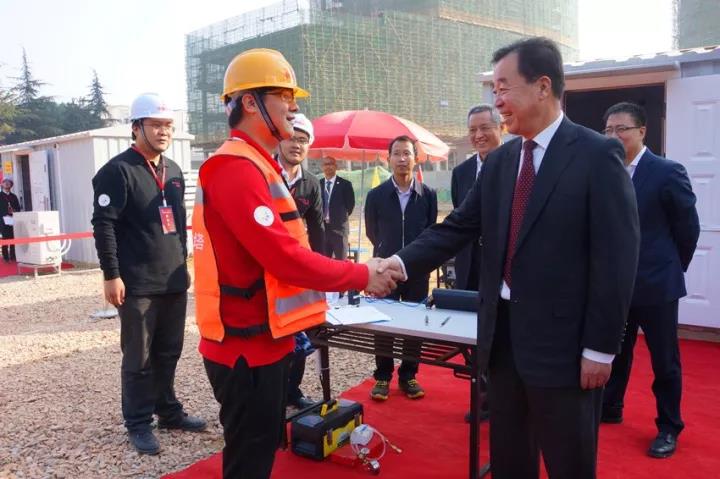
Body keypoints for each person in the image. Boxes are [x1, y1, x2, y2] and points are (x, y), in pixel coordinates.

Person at [378, 37, 640, 479]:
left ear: (542, 86)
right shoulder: (500, 163)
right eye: (494, 90)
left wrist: (601, 348)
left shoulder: (596, 155)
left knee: (569, 463)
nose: (497, 101)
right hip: (502, 342)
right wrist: (397, 265)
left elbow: (617, 258)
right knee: (510, 460)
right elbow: (457, 227)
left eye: (504, 88)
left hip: (565, 348)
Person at [191, 48, 398, 479]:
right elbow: (284, 259)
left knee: (260, 449)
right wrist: (363, 274)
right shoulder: (235, 168)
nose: (293, 106)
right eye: (284, 96)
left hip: (264, 341)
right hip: (244, 350)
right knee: (250, 459)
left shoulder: (256, 164)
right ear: (251, 102)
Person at [91, 93, 206, 455]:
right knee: (138, 357)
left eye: (168, 125)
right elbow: (104, 225)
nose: (163, 131)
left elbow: (178, 224)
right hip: (137, 283)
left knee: (169, 351)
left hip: (172, 279)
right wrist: (111, 274)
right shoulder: (117, 171)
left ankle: (168, 411)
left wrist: (183, 263)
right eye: (155, 125)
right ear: (136, 127)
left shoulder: (173, 171)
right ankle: (139, 422)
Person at [601, 102, 699, 459]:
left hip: (657, 285)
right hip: (616, 285)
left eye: (621, 129)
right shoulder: (604, 172)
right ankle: (611, 406)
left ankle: (669, 426)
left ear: (642, 131)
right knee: (615, 351)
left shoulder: (667, 172)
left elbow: (688, 228)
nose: (613, 136)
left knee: (664, 361)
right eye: (608, 130)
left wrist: (671, 267)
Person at [365, 135, 438, 401]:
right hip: (384, 270)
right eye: (397, 153)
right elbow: (372, 232)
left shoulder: (427, 195)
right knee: (384, 324)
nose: (402, 159)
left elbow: (430, 232)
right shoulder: (376, 196)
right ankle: (383, 376)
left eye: (407, 153)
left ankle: (408, 375)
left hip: (417, 271)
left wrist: (415, 259)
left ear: (416, 159)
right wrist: (387, 254)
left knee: (414, 324)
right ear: (389, 159)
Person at [276, 112, 324, 410]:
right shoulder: (265, 173)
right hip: (268, 267)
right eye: (292, 138)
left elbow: (318, 230)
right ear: (280, 139)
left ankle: (292, 391)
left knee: (301, 329)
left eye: (303, 140)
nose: (297, 144)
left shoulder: (311, 184)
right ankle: (271, 392)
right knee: (274, 334)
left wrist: (321, 272)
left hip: (298, 270)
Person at [451, 104, 503, 291]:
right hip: (469, 263)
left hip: (503, 264)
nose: (478, 135)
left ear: (501, 128)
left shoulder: (517, 164)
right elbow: (460, 216)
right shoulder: (460, 173)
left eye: (485, 128)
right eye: (472, 130)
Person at [320, 156, 355, 260]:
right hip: (323, 231)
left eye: (331, 164)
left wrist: (339, 217)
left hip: (339, 231)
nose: (328, 166)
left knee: (341, 262)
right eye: (326, 164)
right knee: (323, 262)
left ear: (336, 166)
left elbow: (350, 206)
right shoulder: (318, 184)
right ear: (322, 167)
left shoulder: (345, 184)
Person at [0, 178, 21, 262]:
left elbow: (18, 208)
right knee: (5, 238)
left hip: (12, 219)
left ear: (11, 185)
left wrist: (14, 211)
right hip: (2, 220)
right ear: (2, 185)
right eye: (5, 182)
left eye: (8, 183)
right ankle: (5, 256)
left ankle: (13, 255)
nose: (6, 184)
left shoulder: (14, 196)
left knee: (13, 237)